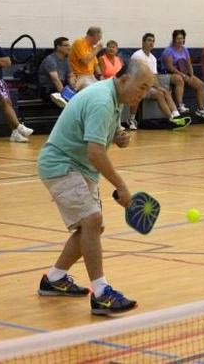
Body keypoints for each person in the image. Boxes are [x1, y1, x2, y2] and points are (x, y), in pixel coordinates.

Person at [36, 59, 154, 316]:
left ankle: (54, 278)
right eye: (142, 87)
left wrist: (117, 134)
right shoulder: (103, 100)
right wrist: (121, 185)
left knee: (92, 227)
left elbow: (97, 132)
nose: (143, 94)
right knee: (92, 220)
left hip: (79, 167)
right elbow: (95, 152)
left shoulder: (114, 98)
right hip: (61, 164)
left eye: (147, 89)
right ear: (124, 80)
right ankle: (101, 294)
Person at [130, 33, 190, 130]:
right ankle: (131, 119)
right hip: (136, 85)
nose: (151, 43)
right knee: (156, 92)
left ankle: (175, 118)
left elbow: (154, 77)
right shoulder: (137, 56)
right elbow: (136, 76)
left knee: (162, 92)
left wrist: (159, 87)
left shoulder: (153, 58)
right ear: (143, 42)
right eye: (149, 40)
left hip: (148, 86)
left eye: (153, 41)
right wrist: (154, 86)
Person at [161, 29, 204, 119]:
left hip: (183, 73)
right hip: (169, 74)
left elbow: (189, 64)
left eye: (182, 38)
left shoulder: (185, 50)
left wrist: (191, 75)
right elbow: (170, 67)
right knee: (179, 79)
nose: (180, 40)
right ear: (174, 39)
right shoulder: (168, 51)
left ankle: (201, 110)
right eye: (178, 38)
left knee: (200, 84)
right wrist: (183, 75)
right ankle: (180, 106)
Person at [39, 36, 76, 109]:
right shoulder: (50, 60)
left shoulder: (66, 60)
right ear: (58, 47)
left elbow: (70, 75)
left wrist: (74, 88)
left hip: (60, 86)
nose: (69, 47)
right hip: (49, 89)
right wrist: (65, 96)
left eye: (69, 45)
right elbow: (55, 80)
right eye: (66, 45)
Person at [68, 26, 104, 90]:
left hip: (90, 76)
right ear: (95, 36)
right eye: (99, 38)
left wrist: (100, 75)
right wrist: (97, 49)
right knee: (94, 90)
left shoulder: (91, 47)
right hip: (80, 76)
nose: (99, 40)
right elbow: (85, 61)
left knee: (102, 88)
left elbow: (96, 65)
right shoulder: (79, 42)